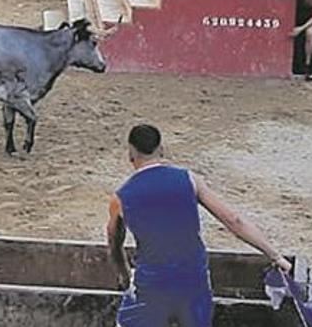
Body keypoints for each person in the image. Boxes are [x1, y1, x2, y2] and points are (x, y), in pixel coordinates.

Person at [107, 124, 293, 327]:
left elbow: (114, 245)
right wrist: (276, 256)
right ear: (162, 149)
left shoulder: (121, 198)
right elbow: (234, 221)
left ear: (130, 154)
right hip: (194, 282)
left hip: (152, 286)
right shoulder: (189, 180)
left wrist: (124, 275)